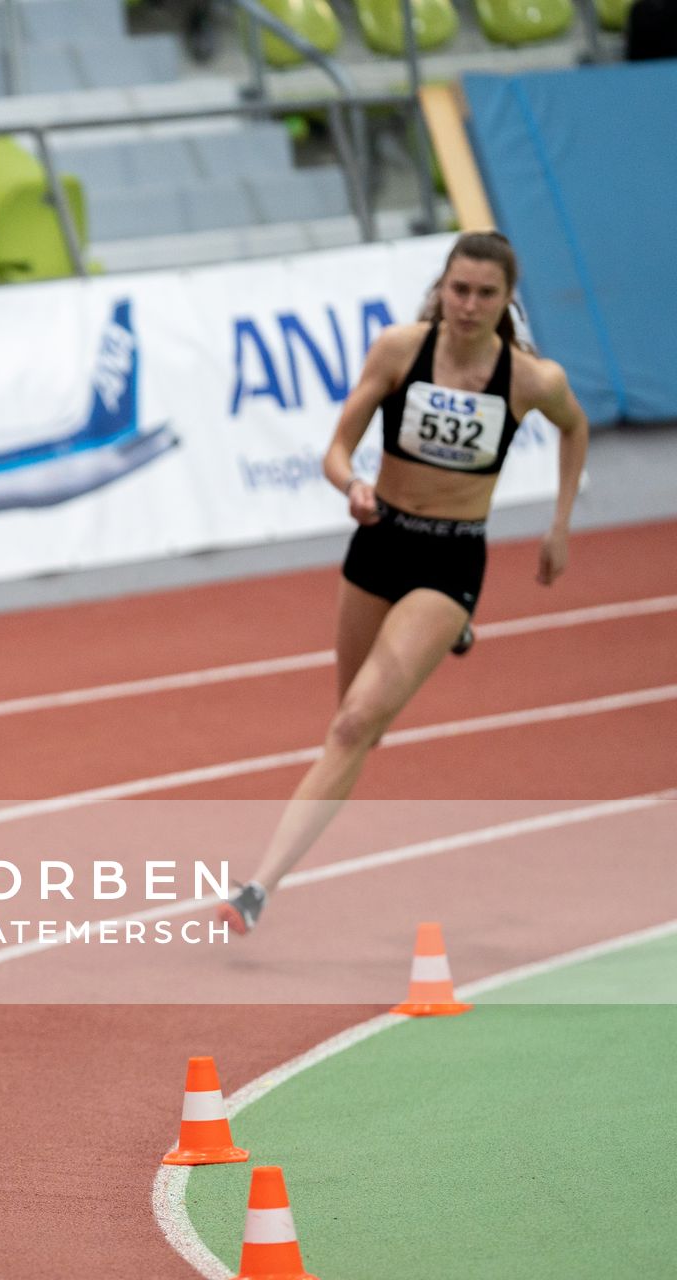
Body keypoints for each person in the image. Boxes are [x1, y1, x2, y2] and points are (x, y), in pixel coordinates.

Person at [219, 232, 588, 934]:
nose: (470, 305)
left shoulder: (533, 380)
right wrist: (351, 485)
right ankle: (446, 633)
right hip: (379, 544)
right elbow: (333, 449)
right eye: (459, 289)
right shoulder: (398, 350)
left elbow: (576, 430)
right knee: (352, 724)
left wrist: (560, 524)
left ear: (509, 300)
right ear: (442, 287)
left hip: (450, 560)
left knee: (355, 724)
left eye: (486, 294)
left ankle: (258, 889)